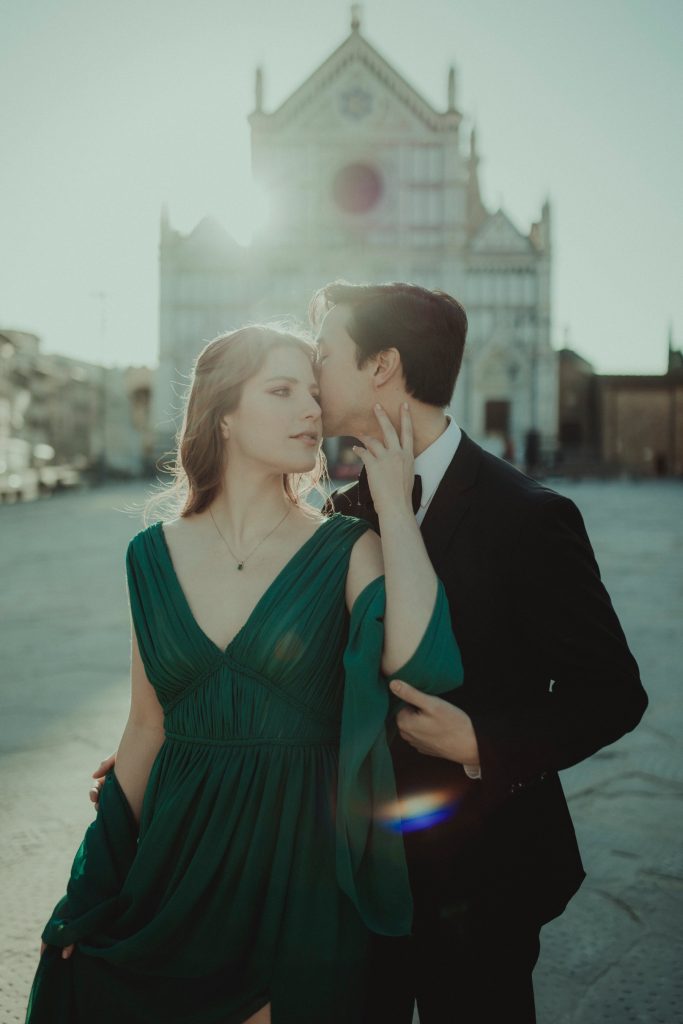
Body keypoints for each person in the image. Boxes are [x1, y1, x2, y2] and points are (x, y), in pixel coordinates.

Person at [26, 324, 464, 1024]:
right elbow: (145, 729)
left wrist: (394, 510)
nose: (311, 412)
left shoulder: (347, 547)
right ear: (223, 414)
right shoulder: (149, 556)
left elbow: (423, 662)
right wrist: (90, 892)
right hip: (176, 865)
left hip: (305, 870)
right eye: (282, 391)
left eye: (314, 394)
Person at [311, 280, 649, 1024]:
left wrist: (480, 740)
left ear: (382, 367)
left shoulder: (528, 516)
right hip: (361, 873)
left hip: (487, 874)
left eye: (324, 352)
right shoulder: (339, 514)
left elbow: (613, 693)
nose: (310, 371)